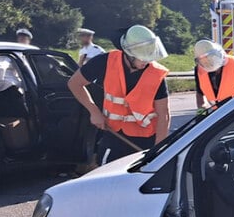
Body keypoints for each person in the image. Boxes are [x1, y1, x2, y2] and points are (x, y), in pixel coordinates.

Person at [67, 24, 170, 164]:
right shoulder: (105, 61)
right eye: (142, 57)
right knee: (106, 180)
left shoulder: (156, 74)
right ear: (129, 53)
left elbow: (163, 115)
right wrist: (94, 112)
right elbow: (74, 83)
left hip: (145, 141)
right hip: (113, 137)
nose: (146, 62)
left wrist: (158, 151)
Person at [193, 39, 234, 109]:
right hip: (219, 113)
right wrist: (201, 113)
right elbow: (199, 93)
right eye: (203, 60)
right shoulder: (200, 70)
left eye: (209, 58)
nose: (207, 62)